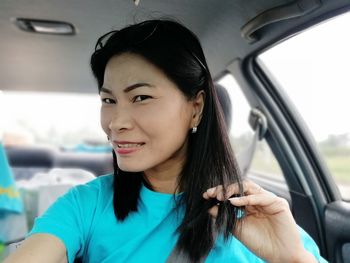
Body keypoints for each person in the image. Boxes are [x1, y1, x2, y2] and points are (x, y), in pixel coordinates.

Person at [4, 19, 327, 263]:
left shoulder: (254, 217)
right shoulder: (85, 204)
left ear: (196, 108)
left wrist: (294, 260)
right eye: (108, 100)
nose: (116, 122)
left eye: (141, 97)